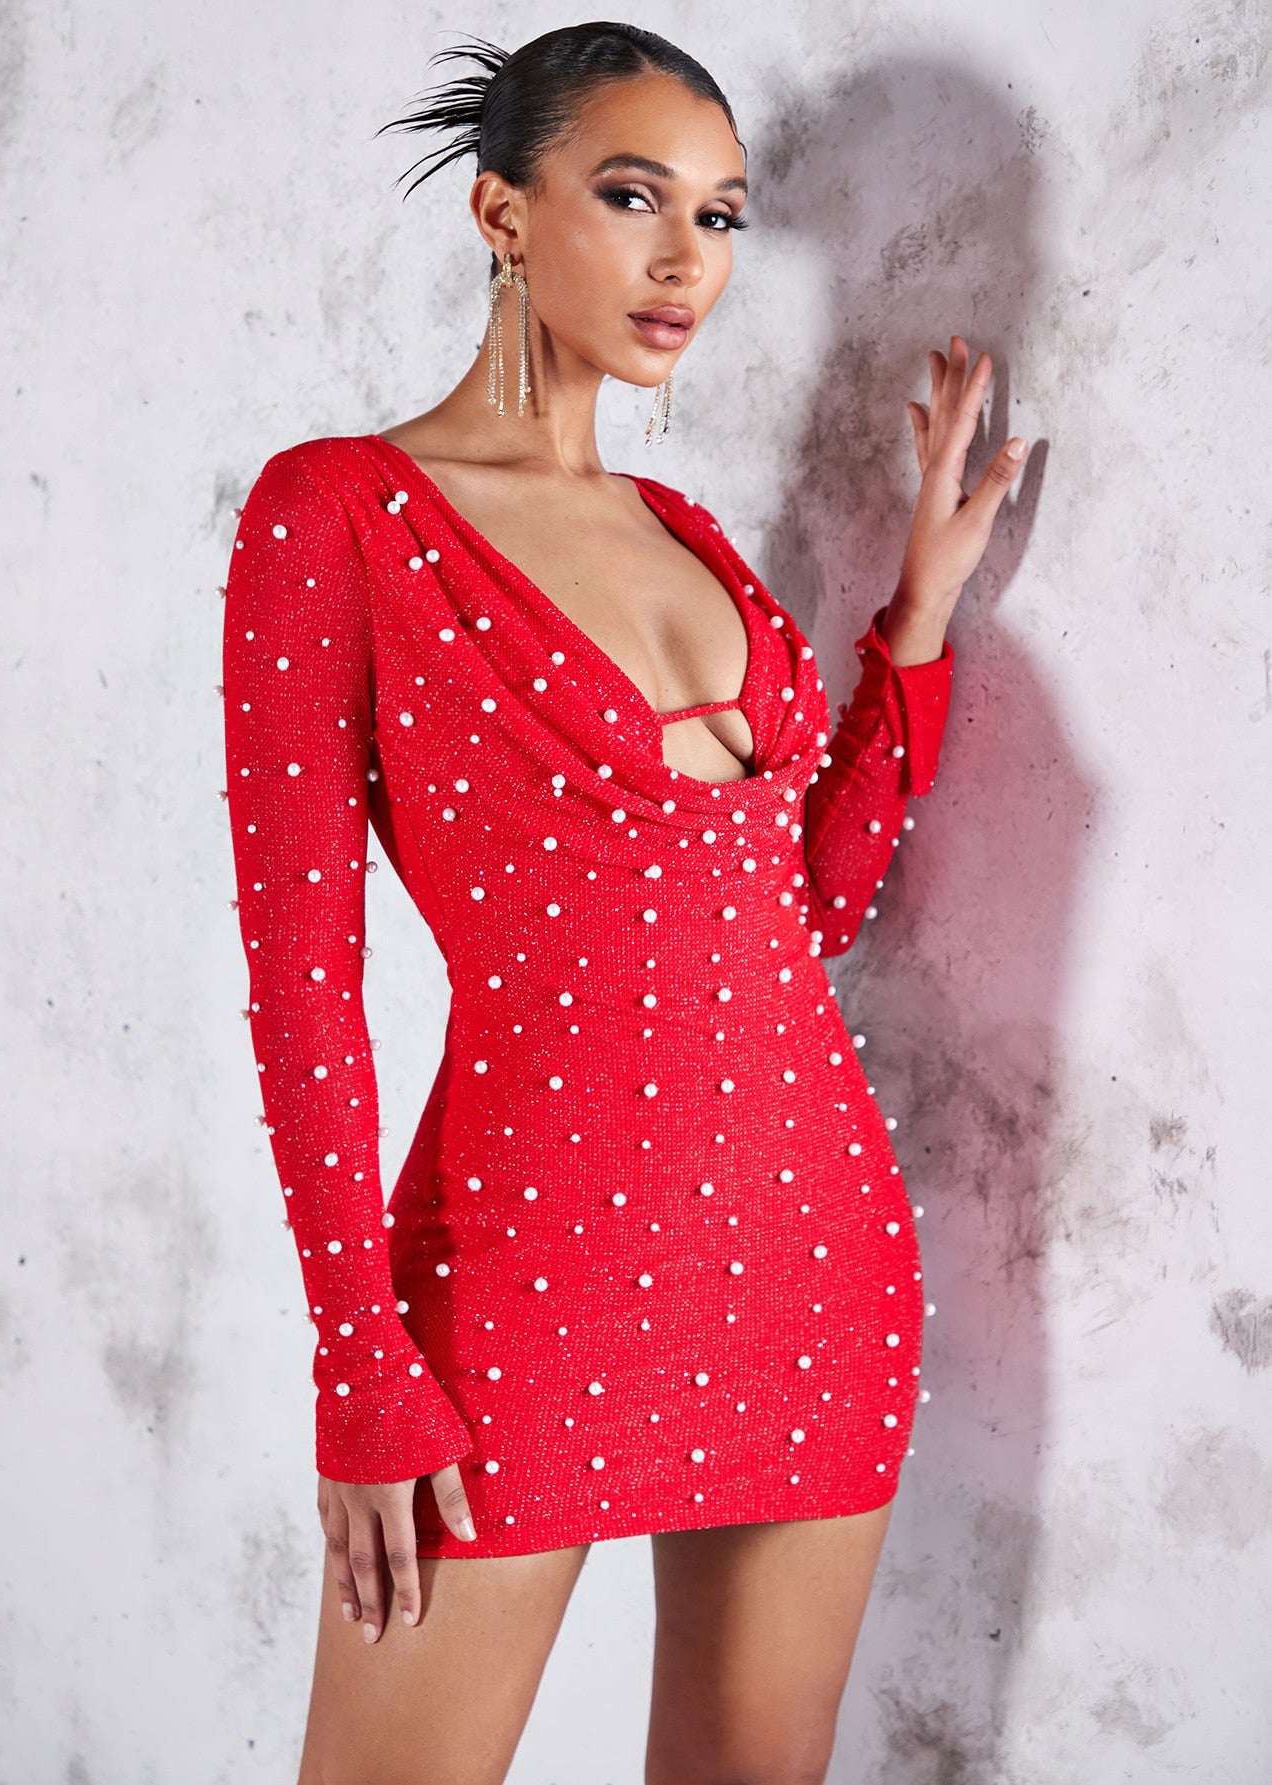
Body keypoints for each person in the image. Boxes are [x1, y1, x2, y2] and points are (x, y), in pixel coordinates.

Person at [221, 22, 1026, 1785]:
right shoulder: (338, 514)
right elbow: (304, 987)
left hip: (813, 1263)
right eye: (634, 196)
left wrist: (915, 622)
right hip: (522, 1276)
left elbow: (792, 917)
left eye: (722, 216)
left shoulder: (685, 529)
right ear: (503, 213)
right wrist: (360, 1364)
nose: (687, 260)